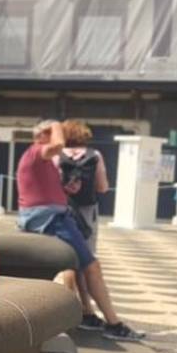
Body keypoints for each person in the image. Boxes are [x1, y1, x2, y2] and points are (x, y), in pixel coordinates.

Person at [17, 120, 143, 341]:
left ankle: (85, 313)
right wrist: (56, 124)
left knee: (77, 267)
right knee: (92, 267)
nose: (60, 139)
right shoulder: (38, 151)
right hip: (52, 218)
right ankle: (114, 323)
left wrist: (66, 189)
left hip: (51, 216)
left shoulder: (41, 160)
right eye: (54, 134)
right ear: (43, 136)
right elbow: (56, 146)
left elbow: (45, 187)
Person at [57, 119, 112, 328]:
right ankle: (86, 310)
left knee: (70, 259)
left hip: (64, 210)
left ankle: (79, 308)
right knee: (87, 259)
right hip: (88, 213)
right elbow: (103, 187)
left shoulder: (58, 155)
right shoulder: (94, 156)